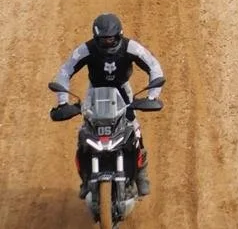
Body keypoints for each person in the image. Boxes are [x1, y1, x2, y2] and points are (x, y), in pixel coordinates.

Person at [49, 13, 165, 198]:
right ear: (96, 38)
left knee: (135, 131)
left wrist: (152, 96)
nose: (107, 43)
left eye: (111, 39)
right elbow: (65, 71)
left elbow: (154, 66)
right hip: (95, 93)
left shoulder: (131, 47)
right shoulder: (85, 50)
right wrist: (63, 102)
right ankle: (86, 179)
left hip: (122, 92)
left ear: (119, 35)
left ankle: (141, 174)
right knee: (84, 134)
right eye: (103, 40)